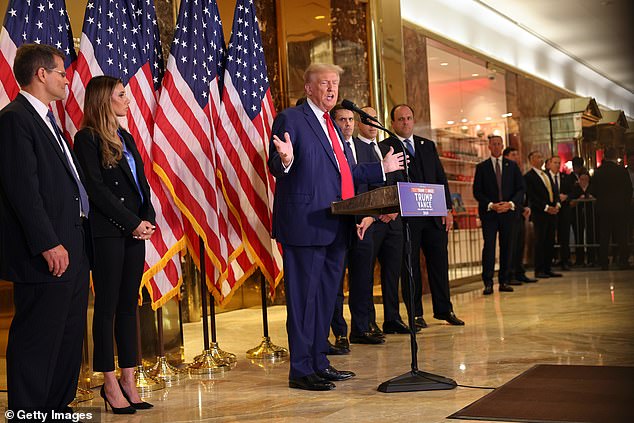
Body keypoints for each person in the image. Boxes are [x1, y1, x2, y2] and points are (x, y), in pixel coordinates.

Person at [268, 63, 405, 391]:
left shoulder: (332, 126)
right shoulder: (292, 118)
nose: (331, 89)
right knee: (304, 300)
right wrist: (286, 159)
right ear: (309, 88)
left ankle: (319, 361)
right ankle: (301, 370)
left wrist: (382, 169)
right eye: (325, 83)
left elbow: (349, 175)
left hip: (336, 225)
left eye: (335, 83)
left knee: (325, 299)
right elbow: (276, 165)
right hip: (305, 224)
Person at [0, 44, 90, 415]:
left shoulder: (49, 121)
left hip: (74, 244)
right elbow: (23, 190)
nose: (66, 79)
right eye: (60, 72)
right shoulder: (14, 119)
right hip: (46, 252)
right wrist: (48, 242)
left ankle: (57, 407)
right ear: (41, 74)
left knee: (68, 337)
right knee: (38, 338)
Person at [74, 76, 155, 413]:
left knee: (128, 305)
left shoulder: (126, 136)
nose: (128, 99)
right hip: (109, 232)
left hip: (135, 230)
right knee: (107, 307)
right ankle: (108, 383)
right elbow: (96, 189)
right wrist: (131, 221)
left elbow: (141, 183)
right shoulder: (87, 138)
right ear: (104, 100)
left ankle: (129, 380)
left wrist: (146, 218)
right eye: (122, 95)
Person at [381, 104, 464, 328]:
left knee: (439, 262)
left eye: (409, 118)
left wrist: (447, 209)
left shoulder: (427, 145)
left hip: (434, 214)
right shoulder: (386, 147)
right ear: (393, 123)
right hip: (408, 217)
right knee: (410, 266)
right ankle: (415, 313)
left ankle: (444, 309)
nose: (405, 122)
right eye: (401, 119)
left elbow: (440, 177)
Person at [473, 136, 525, 295]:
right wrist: (491, 205)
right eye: (493, 144)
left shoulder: (512, 166)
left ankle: (504, 280)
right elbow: (477, 191)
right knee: (489, 247)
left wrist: (510, 204)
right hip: (490, 213)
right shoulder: (482, 167)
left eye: (499, 144)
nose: (496, 146)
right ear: (489, 146)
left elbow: (521, 189)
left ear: (502, 146)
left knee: (507, 246)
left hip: (508, 213)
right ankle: (488, 282)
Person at [326, 105, 356, 354]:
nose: (347, 124)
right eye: (342, 120)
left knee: (357, 282)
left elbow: (365, 183)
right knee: (333, 286)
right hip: (332, 223)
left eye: (350, 119)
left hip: (360, 224)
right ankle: (338, 333)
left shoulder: (359, 147)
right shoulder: (330, 147)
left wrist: (367, 216)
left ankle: (361, 326)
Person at [589, 147, 632, 270]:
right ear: (615, 157)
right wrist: (625, 203)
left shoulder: (598, 171)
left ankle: (603, 262)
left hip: (603, 208)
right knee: (622, 236)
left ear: (605, 156)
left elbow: (593, 190)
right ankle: (623, 261)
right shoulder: (621, 171)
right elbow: (628, 189)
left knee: (604, 236)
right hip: (620, 208)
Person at [524, 151, 563, 279]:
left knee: (550, 240)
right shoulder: (529, 176)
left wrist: (557, 204)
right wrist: (546, 207)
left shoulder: (546, 174)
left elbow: (554, 191)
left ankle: (547, 267)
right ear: (531, 160)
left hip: (552, 213)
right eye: (537, 157)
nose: (540, 159)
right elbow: (532, 196)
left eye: (541, 157)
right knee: (540, 241)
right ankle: (539, 269)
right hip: (540, 213)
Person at [503, 147, 538, 284]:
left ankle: (519, 271)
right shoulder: (504, 173)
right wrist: (518, 206)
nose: (516, 157)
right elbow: (509, 194)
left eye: (517, 154)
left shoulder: (517, 170)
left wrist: (526, 206)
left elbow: (523, 191)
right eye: (513, 154)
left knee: (520, 244)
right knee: (511, 245)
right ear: (506, 157)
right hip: (510, 212)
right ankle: (509, 274)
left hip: (520, 212)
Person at [547, 156, 572, 270]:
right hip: (550, 211)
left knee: (564, 237)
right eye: (555, 163)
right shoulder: (546, 177)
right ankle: (550, 260)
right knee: (549, 236)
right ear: (549, 164)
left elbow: (573, 191)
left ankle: (565, 261)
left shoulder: (566, 177)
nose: (557, 165)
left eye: (558, 163)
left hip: (564, 211)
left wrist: (566, 197)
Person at [569, 170, 596, 266]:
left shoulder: (593, 187)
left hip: (590, 215)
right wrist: (578, 200)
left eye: (586, 179)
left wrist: (592, 199)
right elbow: (571, 202)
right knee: (578, 237)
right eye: (582, 179)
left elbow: (597, 199)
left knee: (591, 236)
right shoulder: (575, 188)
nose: (583, 181)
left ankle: (591, 259)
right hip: (578, 216)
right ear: (579, 179)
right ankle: (579, 259)